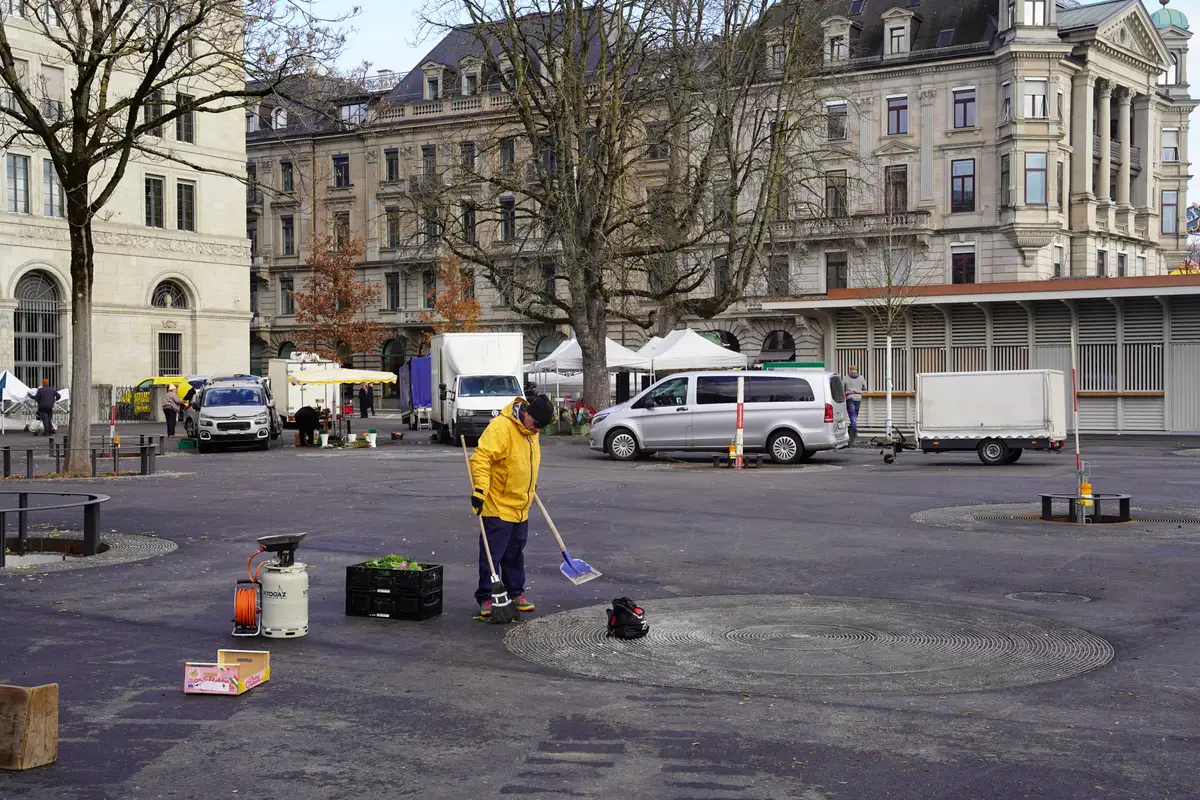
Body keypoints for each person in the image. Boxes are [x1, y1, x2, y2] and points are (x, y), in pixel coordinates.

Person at [468, 393, 555, 618]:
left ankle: (515, 592)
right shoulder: (501, 427)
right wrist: (479, 490)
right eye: (536, 425)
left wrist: (530, 486)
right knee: (492, 555)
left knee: (515, 553)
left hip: (521, 505)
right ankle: (486, 597)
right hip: (498, 503)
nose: (537, 431)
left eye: (541, 428)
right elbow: (481, 458)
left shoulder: (530, 432)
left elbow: (526, 461)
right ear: (527, 413)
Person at [843, 365, 866, 440]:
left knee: (852, 415)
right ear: (856, 370)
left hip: (850, 397)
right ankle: (853, 428)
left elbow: (842, 387)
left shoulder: (845, 378)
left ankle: (854, 431)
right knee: (855, 414)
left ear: (850, 370)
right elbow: (865, 387)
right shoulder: (861, 377)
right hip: (858, 398)